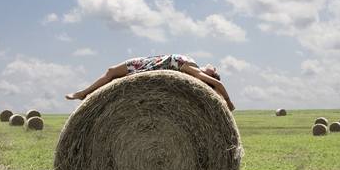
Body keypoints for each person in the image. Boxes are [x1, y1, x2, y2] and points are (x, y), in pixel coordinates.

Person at [65, 54, 236, 111]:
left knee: (111, 73)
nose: (214, 67)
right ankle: (87, 96)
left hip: (145, 67)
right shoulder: (195, 66)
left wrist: (228, 102)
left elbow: (219, 86)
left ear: (211, 77)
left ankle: (83, 94)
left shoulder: (196, 72)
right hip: (148, 62)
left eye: (215, 71)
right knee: (112, 76)